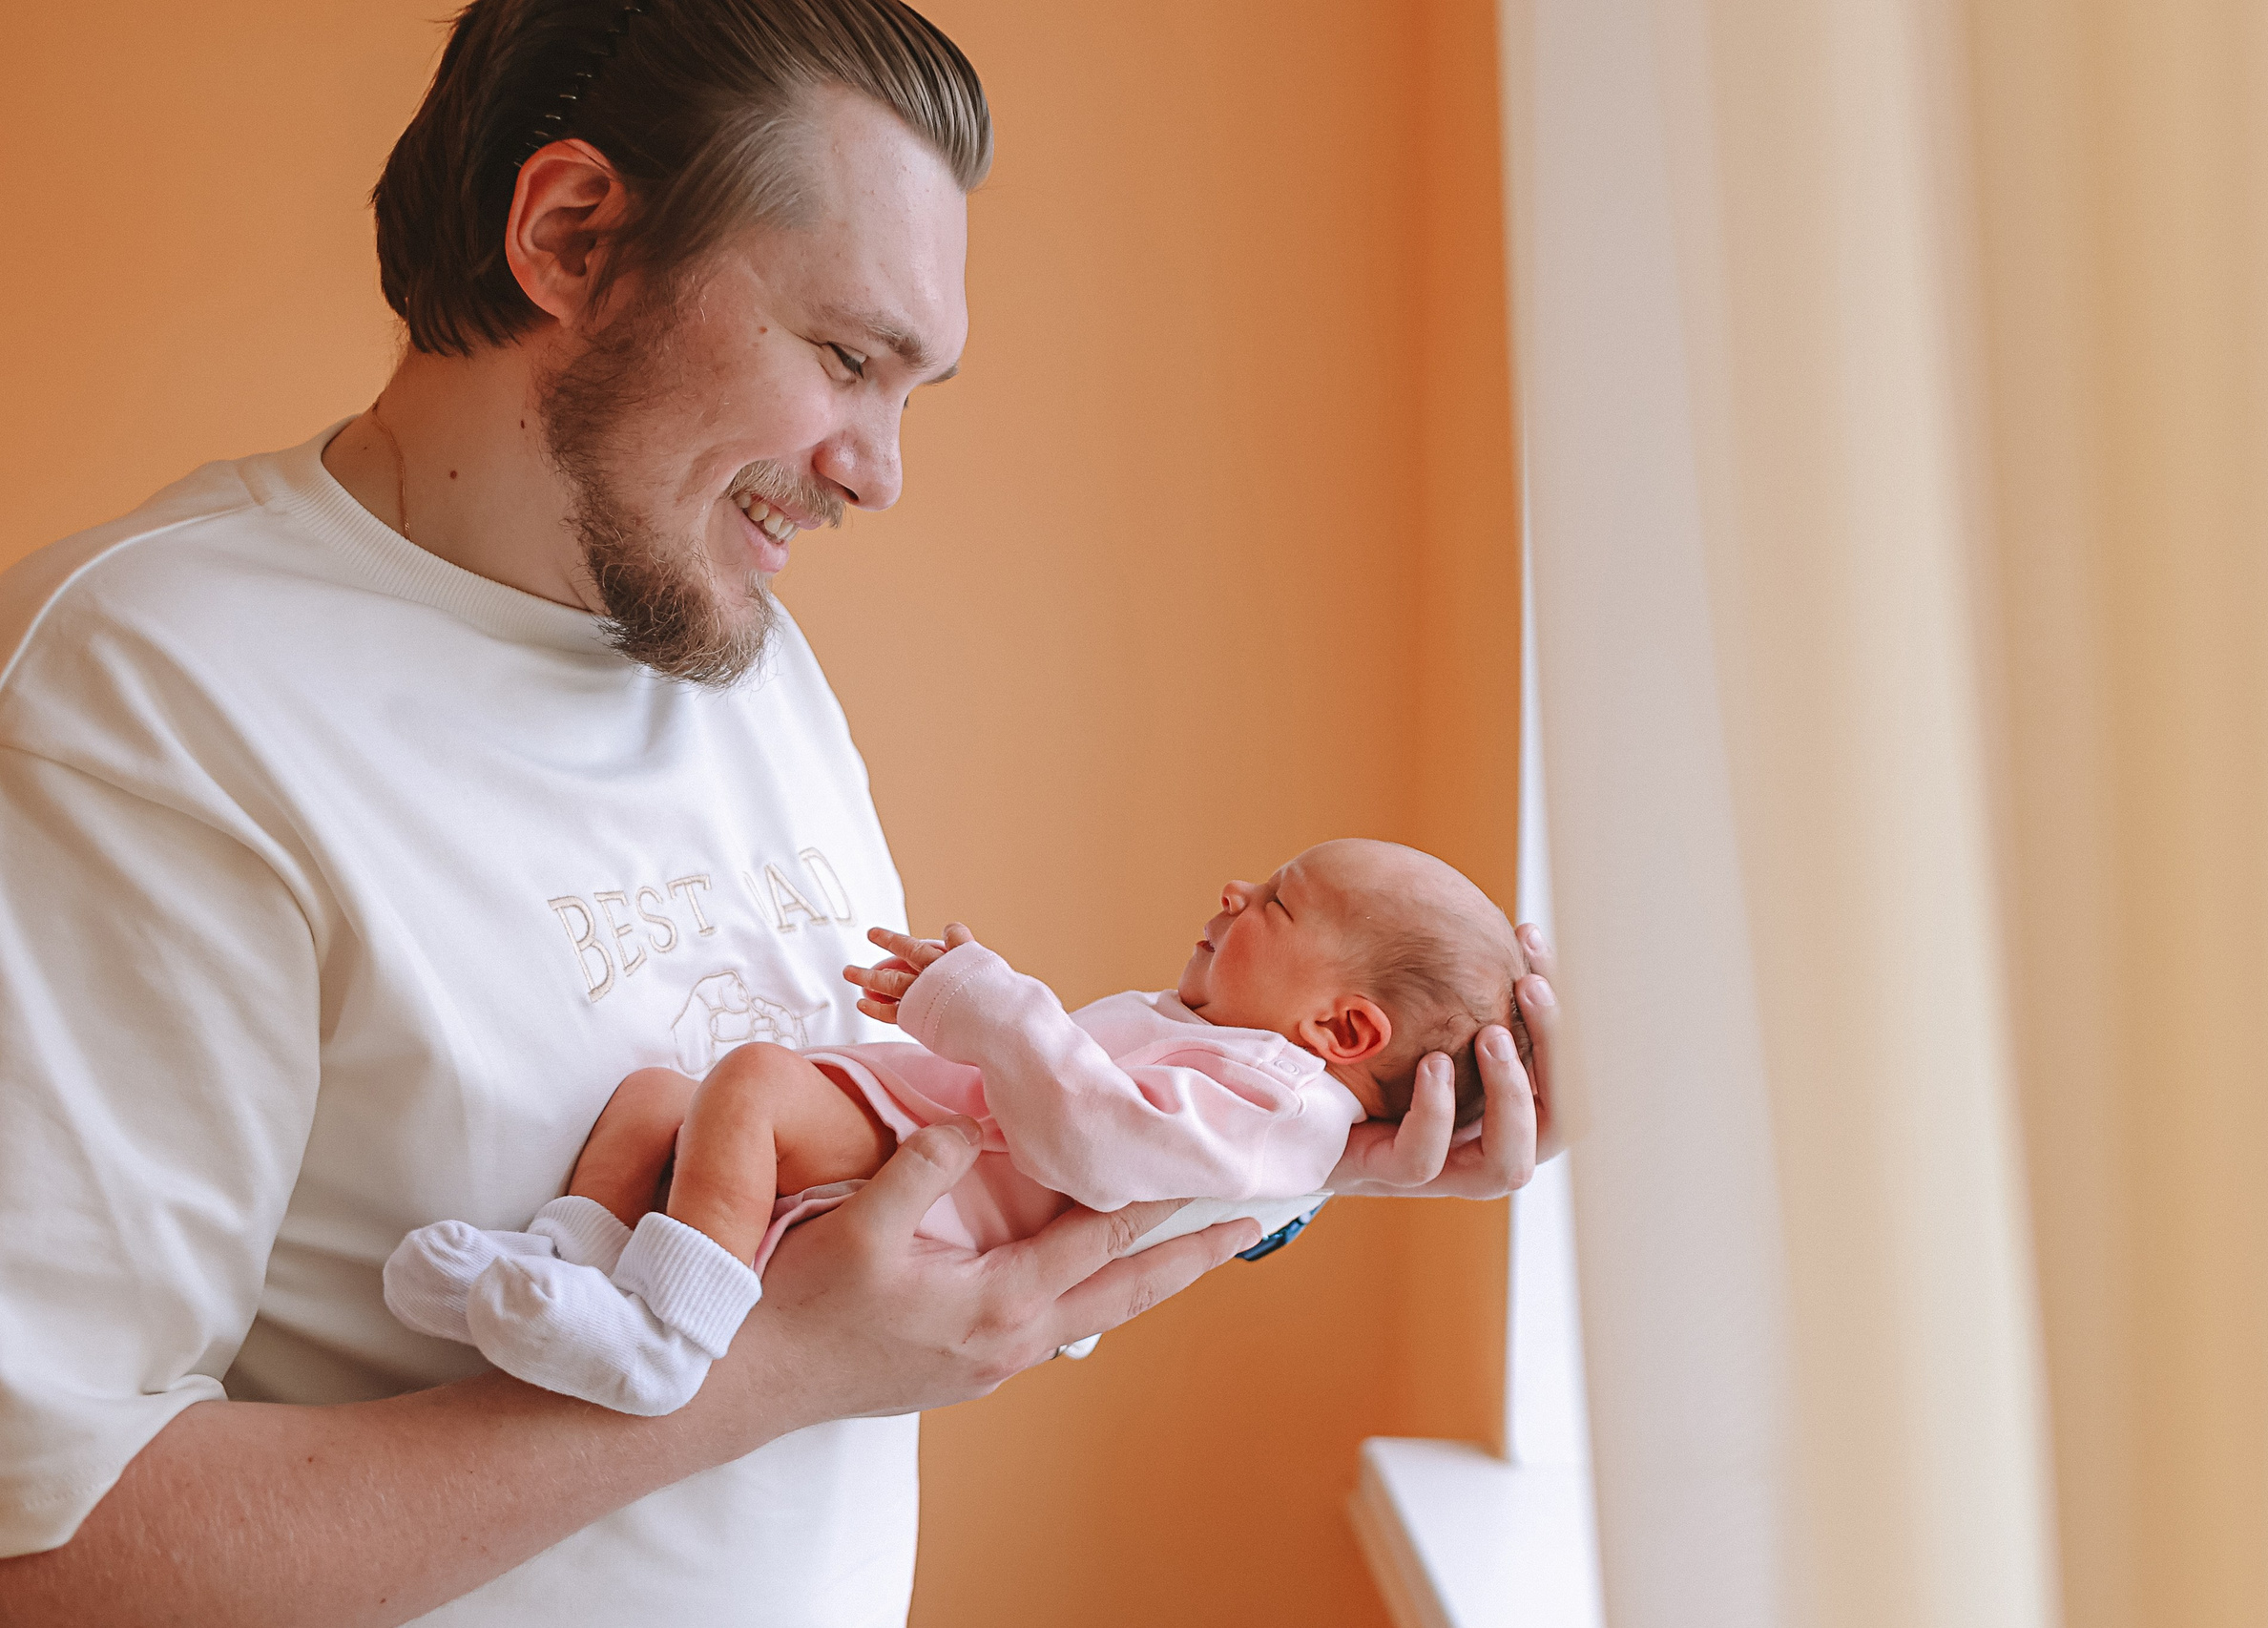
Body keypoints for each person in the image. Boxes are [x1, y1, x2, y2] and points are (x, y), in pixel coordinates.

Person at [0, 2, 1557, 1623]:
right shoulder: (144, 702)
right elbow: (41, 1551)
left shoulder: (730, 647)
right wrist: (764, 1374)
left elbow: (924, 1238)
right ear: (571, 235)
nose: (879, 472)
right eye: (845, 356)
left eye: (915, 387)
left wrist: (1305, 1138)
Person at [383, 839, 1529, 1416]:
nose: (1235, 893)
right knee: (654, 1101)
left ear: (1342, 1026)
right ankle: (566, 1266)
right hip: (922, 1147)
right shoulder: (1238, 1050)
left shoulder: (1284, 1100)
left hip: (940, 1198)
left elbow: (1103, 1145)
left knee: (748, 1088)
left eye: (1275, 900)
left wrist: (993, 1008)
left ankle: (663, 1337)